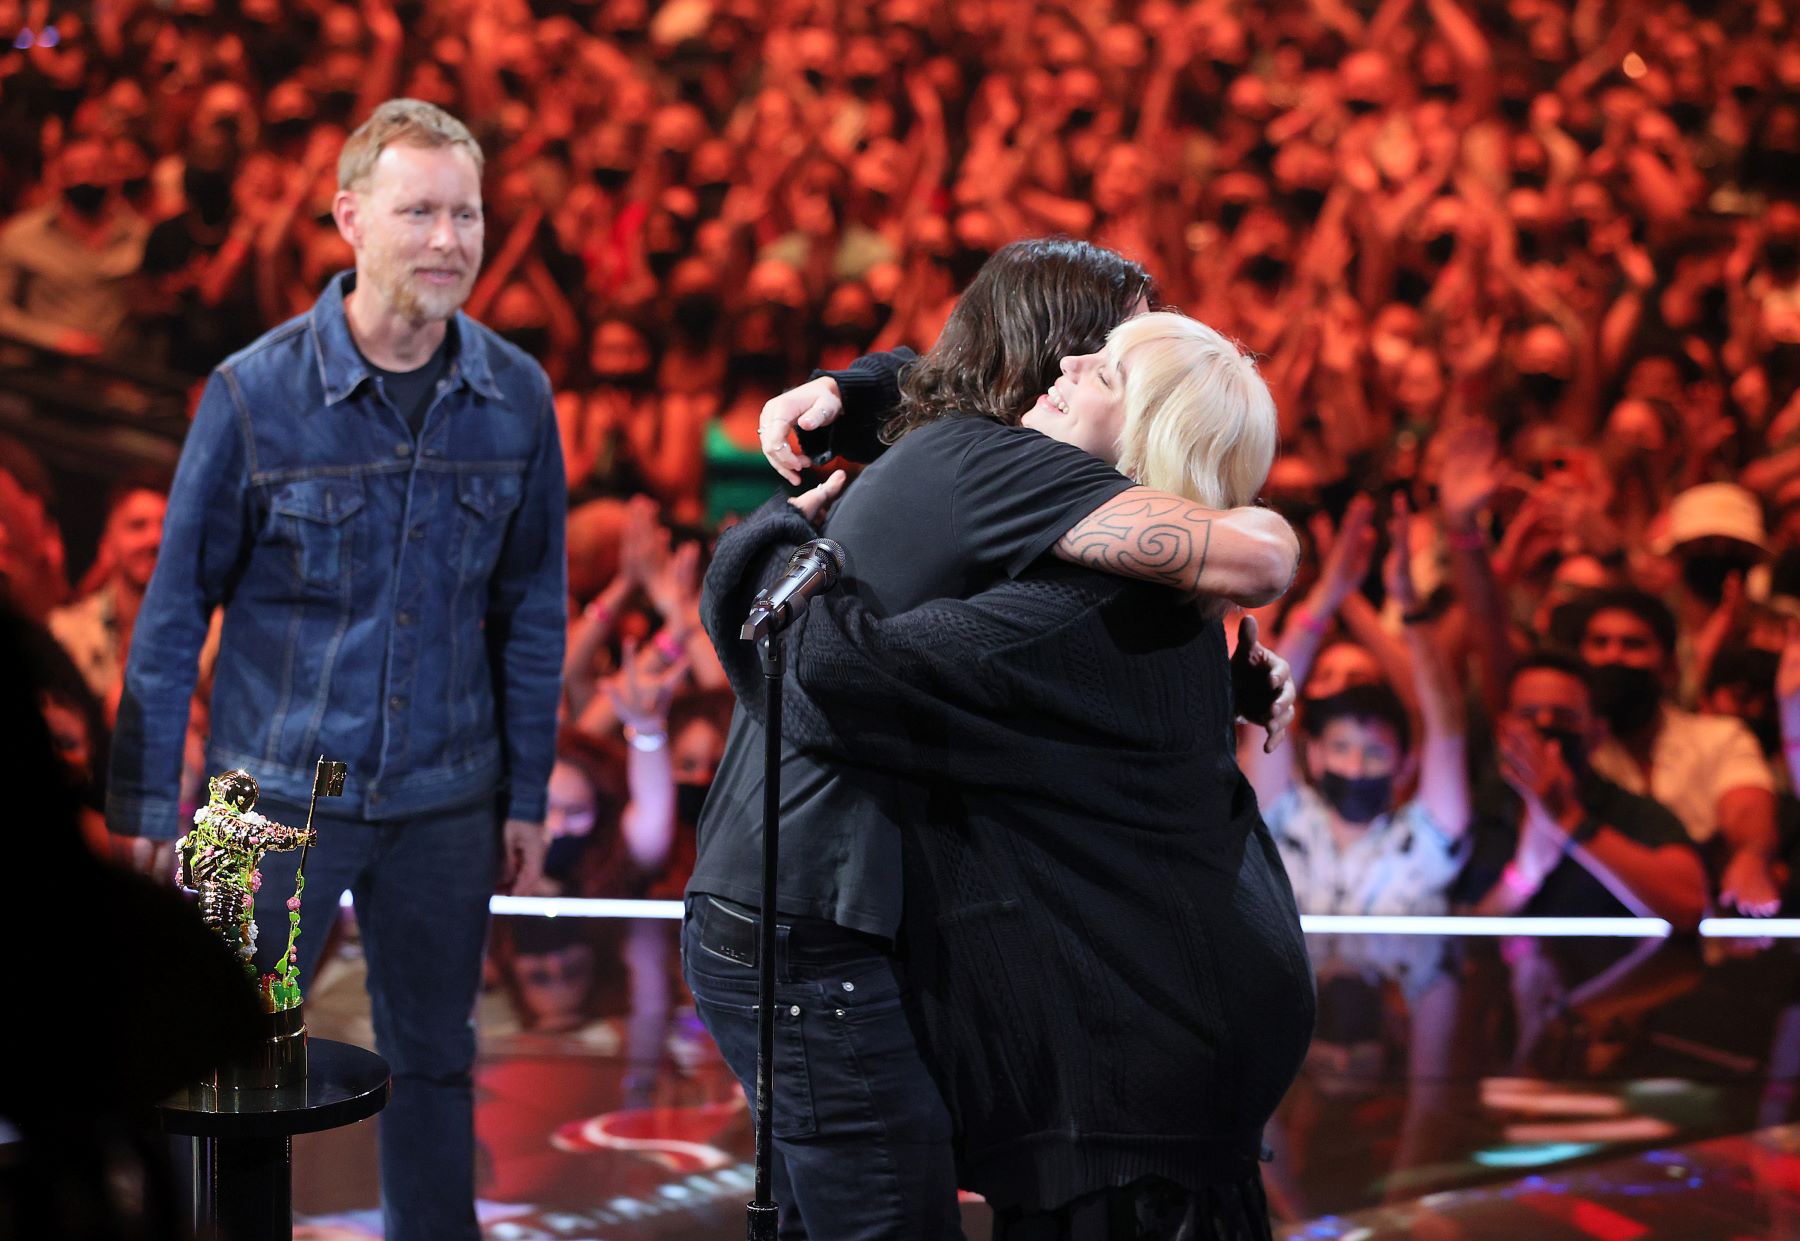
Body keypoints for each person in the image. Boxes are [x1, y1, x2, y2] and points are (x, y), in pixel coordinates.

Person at [686, 239, 1298, 1239]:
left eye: (1110, 364)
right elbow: (828, 668)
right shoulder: (994, 463)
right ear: (1044, 352)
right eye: (1103, 347)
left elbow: (1022, 663)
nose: (1073, 375)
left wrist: (780, 517)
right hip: (808, 915)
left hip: (824, 911)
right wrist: (763, 546)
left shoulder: (1013, 494)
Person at [106, 99, 566, 1241]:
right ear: (351, 217)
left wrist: (525, 792)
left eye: (466, 213)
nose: (450, 239)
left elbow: (532, 611)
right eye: (420, 211)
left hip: (449, 798)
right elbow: (171, 612)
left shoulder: (519, 397)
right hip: (259, 801)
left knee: (440, 1065)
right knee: (223, 1081)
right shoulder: (252, 392)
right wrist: (144, 800)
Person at [1246, 498, 1473, 916]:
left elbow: (1447, 728)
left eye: (1374, 754)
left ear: (1406, 762)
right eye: (1340, 748)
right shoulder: (1279, 822)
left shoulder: (1425, 844)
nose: (1353, 768)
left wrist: (1408, 602)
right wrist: (1327, 594)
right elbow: (1266, 701)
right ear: (1313, 754)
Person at [1456, 651, 1709, 927]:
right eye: (1528, 716)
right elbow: (1452, 938)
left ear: (1597, 734)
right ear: (1504, 730)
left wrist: (1571, 822)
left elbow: (1689, 905)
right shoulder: (1471, 811)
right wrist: (1522, 876)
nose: (1545, 727)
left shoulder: (1635, 814)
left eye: (1563, 718)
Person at [1573, 588, 1783, 917]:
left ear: (1670, 666)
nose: (1613, 656)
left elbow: (1745, 803)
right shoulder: (1567, 746)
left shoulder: (1719, 737)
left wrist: (1751, 856)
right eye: (1600, 643)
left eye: (1633, 644)